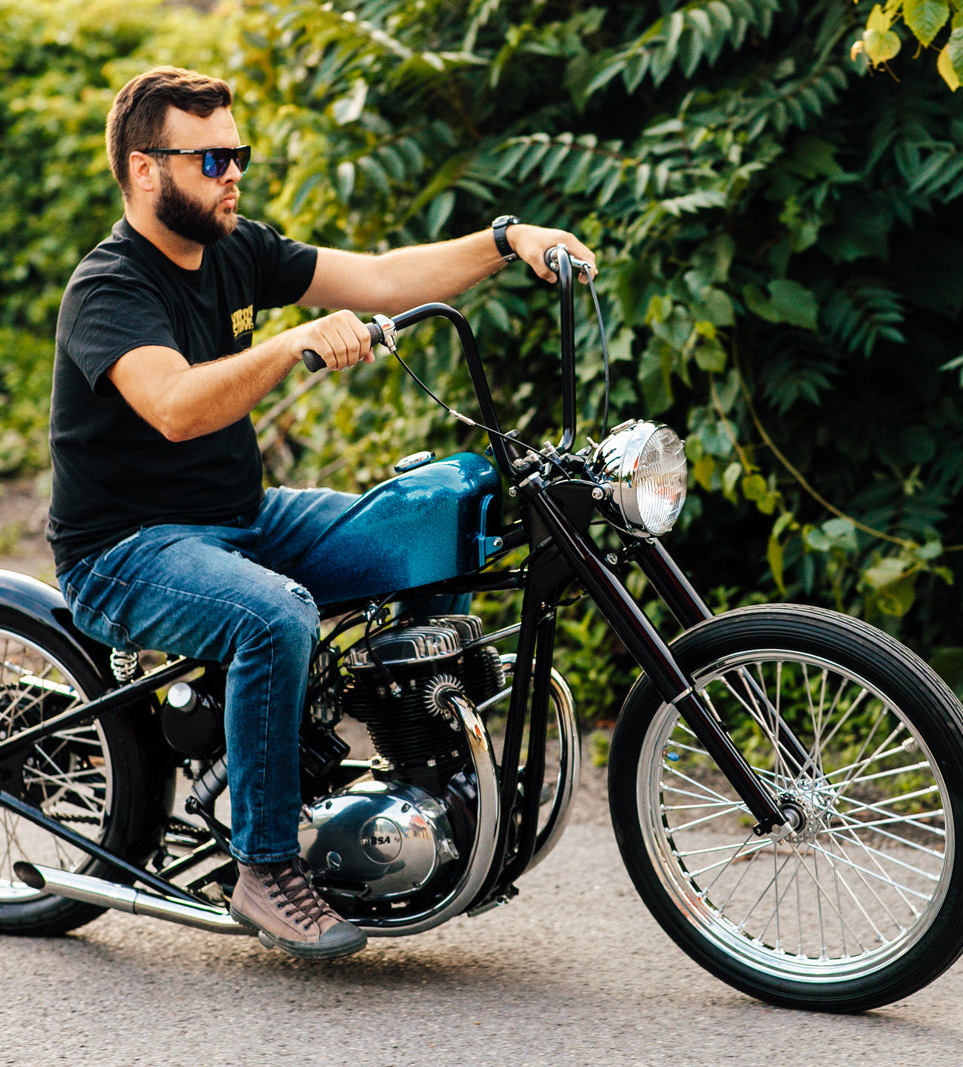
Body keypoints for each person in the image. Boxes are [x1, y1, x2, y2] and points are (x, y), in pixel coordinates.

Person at [47, 66, 596, 960]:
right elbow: (178, 405)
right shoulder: (110, 289)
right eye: (213, 157)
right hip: (125, 550)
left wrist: (508, 239)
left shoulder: (232, 247)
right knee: (275, 616)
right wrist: (294, 339)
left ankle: (424, 777)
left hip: (241, 514)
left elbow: (379, 277)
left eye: (240, 154)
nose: (234, 174)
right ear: (147, 170)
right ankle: (263, 864)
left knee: (432, 523)